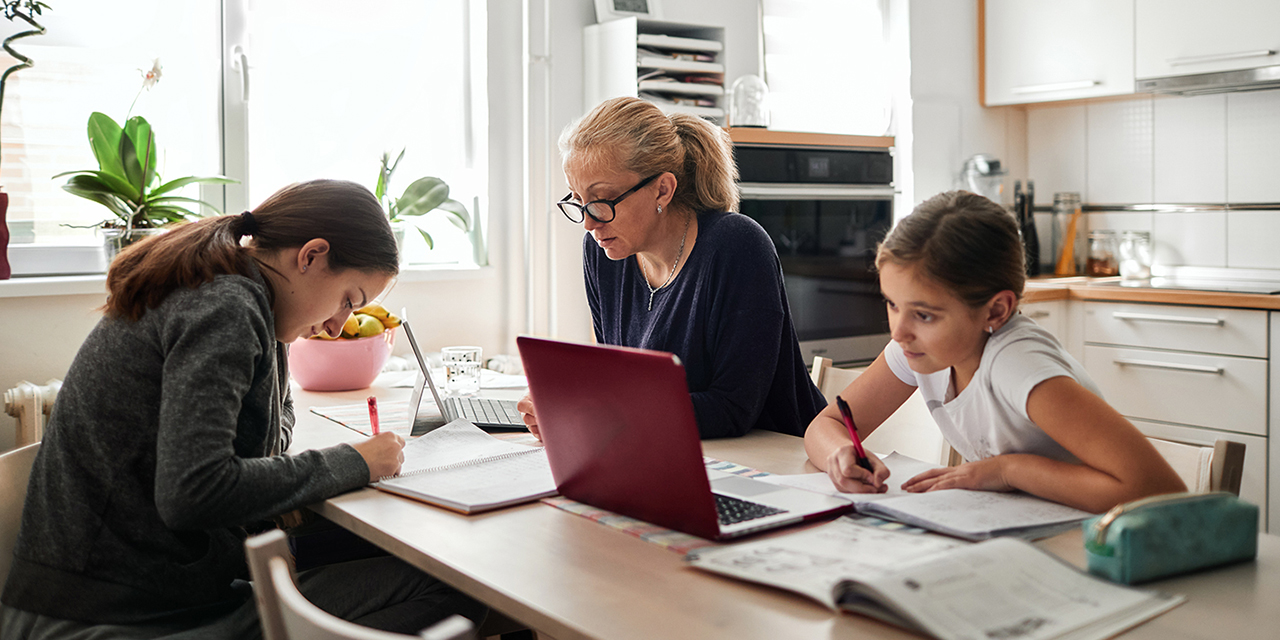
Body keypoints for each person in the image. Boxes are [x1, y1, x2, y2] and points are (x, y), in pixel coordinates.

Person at [0, 180, 486, 639]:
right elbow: (194, 492)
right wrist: (355, 462)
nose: (338, 327)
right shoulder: (225, 307)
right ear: (312, 256)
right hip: (115, 620)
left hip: (136, 592)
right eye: (346, 299)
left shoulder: (243, 295)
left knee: (399, 563)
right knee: (460, 590)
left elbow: (270, 428)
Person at [804, 191, 1185, 513]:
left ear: (996, 311)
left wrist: (1006, 471)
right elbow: (826, 425)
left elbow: (1159, 491)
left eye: (923, 314)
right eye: (892, 304)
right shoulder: (920, 347)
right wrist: (840, 454)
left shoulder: (1018, 366)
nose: (899, 331)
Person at [517, 97, 824, 440]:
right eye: (578, 200)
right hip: (670, 450)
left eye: (601, 201)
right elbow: (621, 384)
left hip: (780, 462)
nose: (588, 223)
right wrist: (568, 406)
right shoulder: (603, 251)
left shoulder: (737, 246)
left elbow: (733, 409)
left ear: (662, 189)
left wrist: (596, 412)